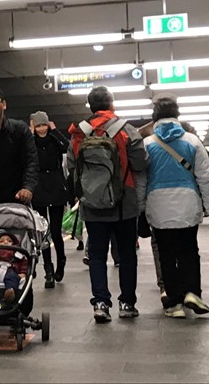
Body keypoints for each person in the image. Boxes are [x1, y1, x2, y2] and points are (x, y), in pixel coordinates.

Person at [67, 86, 148, 323]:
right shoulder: (126, 130)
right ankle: (127, 303)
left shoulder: (79, 132)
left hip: (92, 205)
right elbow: (141, 164)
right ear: (112, 104)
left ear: (90, 106)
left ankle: (101, 303)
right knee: (126, 254)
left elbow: (72, 167)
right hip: (124, 203)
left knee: (97, 255)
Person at [136, 97, 209, 318]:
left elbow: (141, 180)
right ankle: (192, 292)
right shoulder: (193, 141)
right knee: (189, 250)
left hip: (158, 205)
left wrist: (140, 207)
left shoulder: (148, 143)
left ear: (155, 118)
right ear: (177, 115)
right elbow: (205, 178)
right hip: (188, 204)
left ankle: (174, 303)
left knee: (166, 254)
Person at [29, 111, 70, 288]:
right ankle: (48, 270)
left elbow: (66, 146)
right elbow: (25, 154)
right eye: (38, 126)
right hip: (39, 190)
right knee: (43, 232)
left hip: (56, 188)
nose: (41, 129)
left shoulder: (54, 140)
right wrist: (30, 134)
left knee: (55, 231)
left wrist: (55, 131)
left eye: (44, 125)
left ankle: (61, 261)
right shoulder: (31, 143)